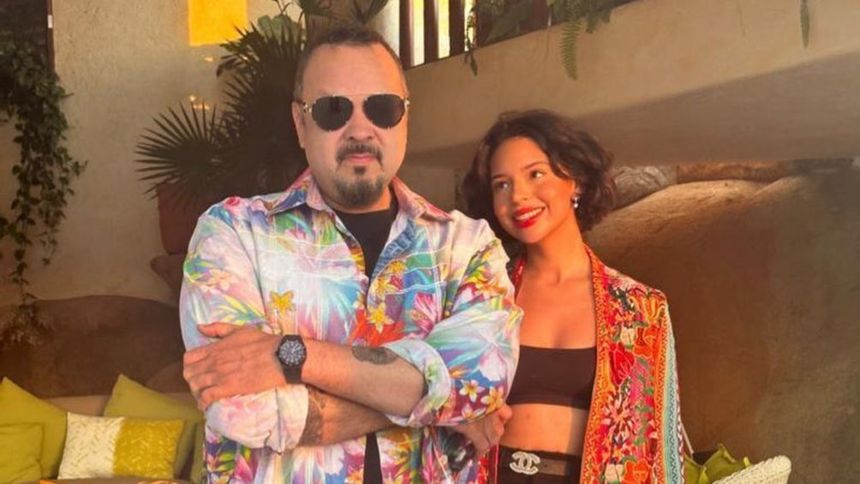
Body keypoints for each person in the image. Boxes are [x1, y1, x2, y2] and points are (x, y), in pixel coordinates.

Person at [180, 26, 521, 483]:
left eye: (382, 108)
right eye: (333, 110)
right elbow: (245, 412)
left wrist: (291, 356)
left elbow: (482, 381)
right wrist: (443, 404)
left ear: (405, 118)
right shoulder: (233, 233)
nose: (360, 129)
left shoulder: (466, 246)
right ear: (301, 123)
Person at [462, 110, 684, 483]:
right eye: (501, 184)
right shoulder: (480, 298)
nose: (518, 196)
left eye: (536, 174)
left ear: (576, 181)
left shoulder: (641, 308)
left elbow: (660, 447)